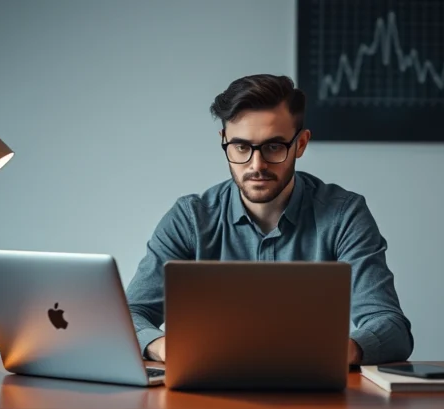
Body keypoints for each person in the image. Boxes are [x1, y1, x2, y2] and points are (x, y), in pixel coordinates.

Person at [125, 74, 413, 366]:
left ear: (300, 144)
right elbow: (131, 314)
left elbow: (391, 326)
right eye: (241, 147)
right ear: (224, 141)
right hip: (207, 393)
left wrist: (342, 350)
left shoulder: (344, 216)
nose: (256, 165)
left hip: (313, 396)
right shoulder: (190, 218)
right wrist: (166, 347)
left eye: (274, 146)